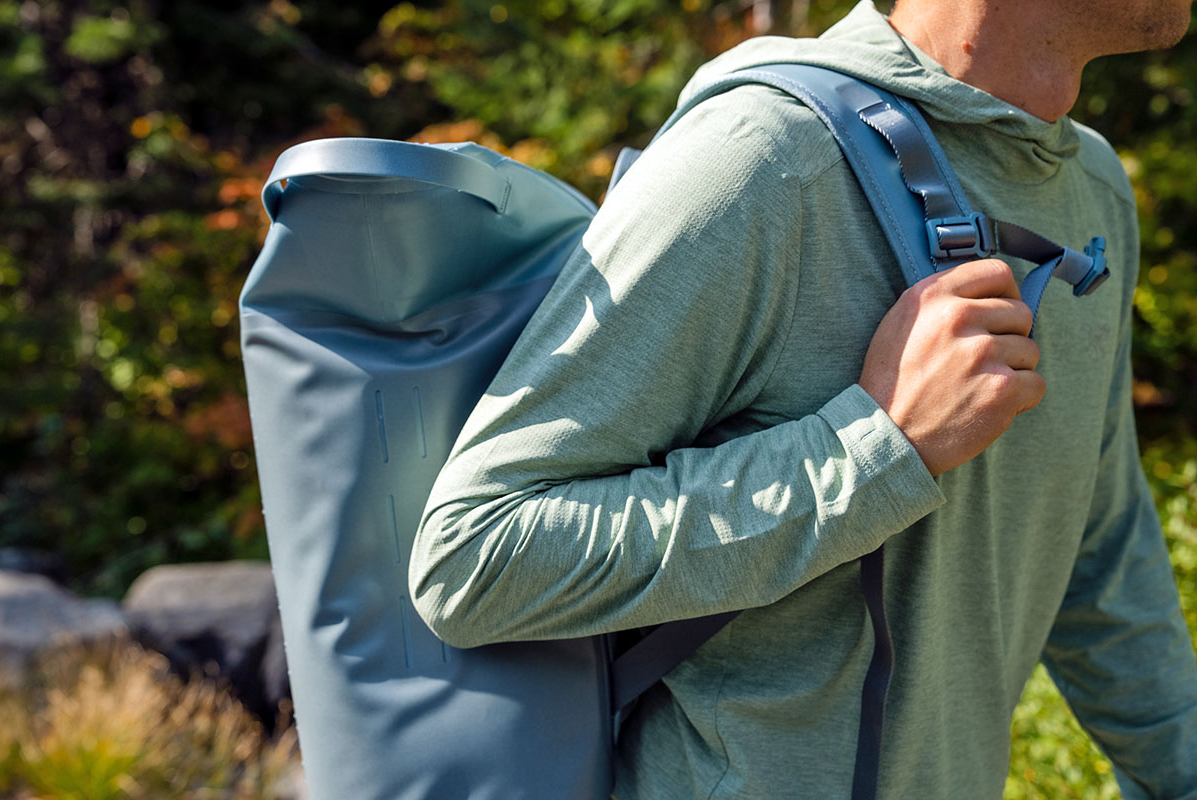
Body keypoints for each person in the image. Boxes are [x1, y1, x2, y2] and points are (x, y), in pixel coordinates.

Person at [410, 0, 1197, 796]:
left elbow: (1101, 549)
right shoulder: (761, 160)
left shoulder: (1092, 192)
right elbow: (473, 557)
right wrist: (878, 449)